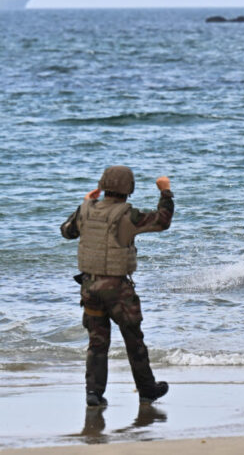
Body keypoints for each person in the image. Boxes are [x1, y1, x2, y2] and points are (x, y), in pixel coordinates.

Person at [60, 165, 174, 407]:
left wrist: (84, 204)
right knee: (134, 340)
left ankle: (93, 393)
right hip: (117, 290)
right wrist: (165, 192)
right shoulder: (127, 215)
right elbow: (162, 222)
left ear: (102, 186)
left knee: (97, 343)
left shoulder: (85, 211)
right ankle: (147, 389)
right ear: (128, 190)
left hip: (89, 287)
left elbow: (67, 232)